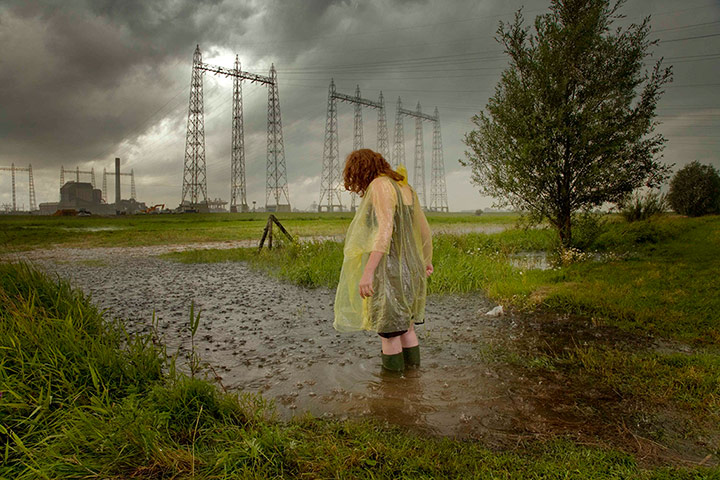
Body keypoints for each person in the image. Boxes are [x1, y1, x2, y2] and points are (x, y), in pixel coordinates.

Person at [333, 149, 433, 372]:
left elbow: (384, 231)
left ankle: (392, 391)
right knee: (407, 328)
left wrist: (368, 272)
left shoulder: (380, 185)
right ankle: (413, 384)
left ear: (361, 170)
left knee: (389, 333)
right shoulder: (405, 187)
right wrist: (426, 260)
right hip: (412, 267)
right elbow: (424, 229)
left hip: (390, 270)